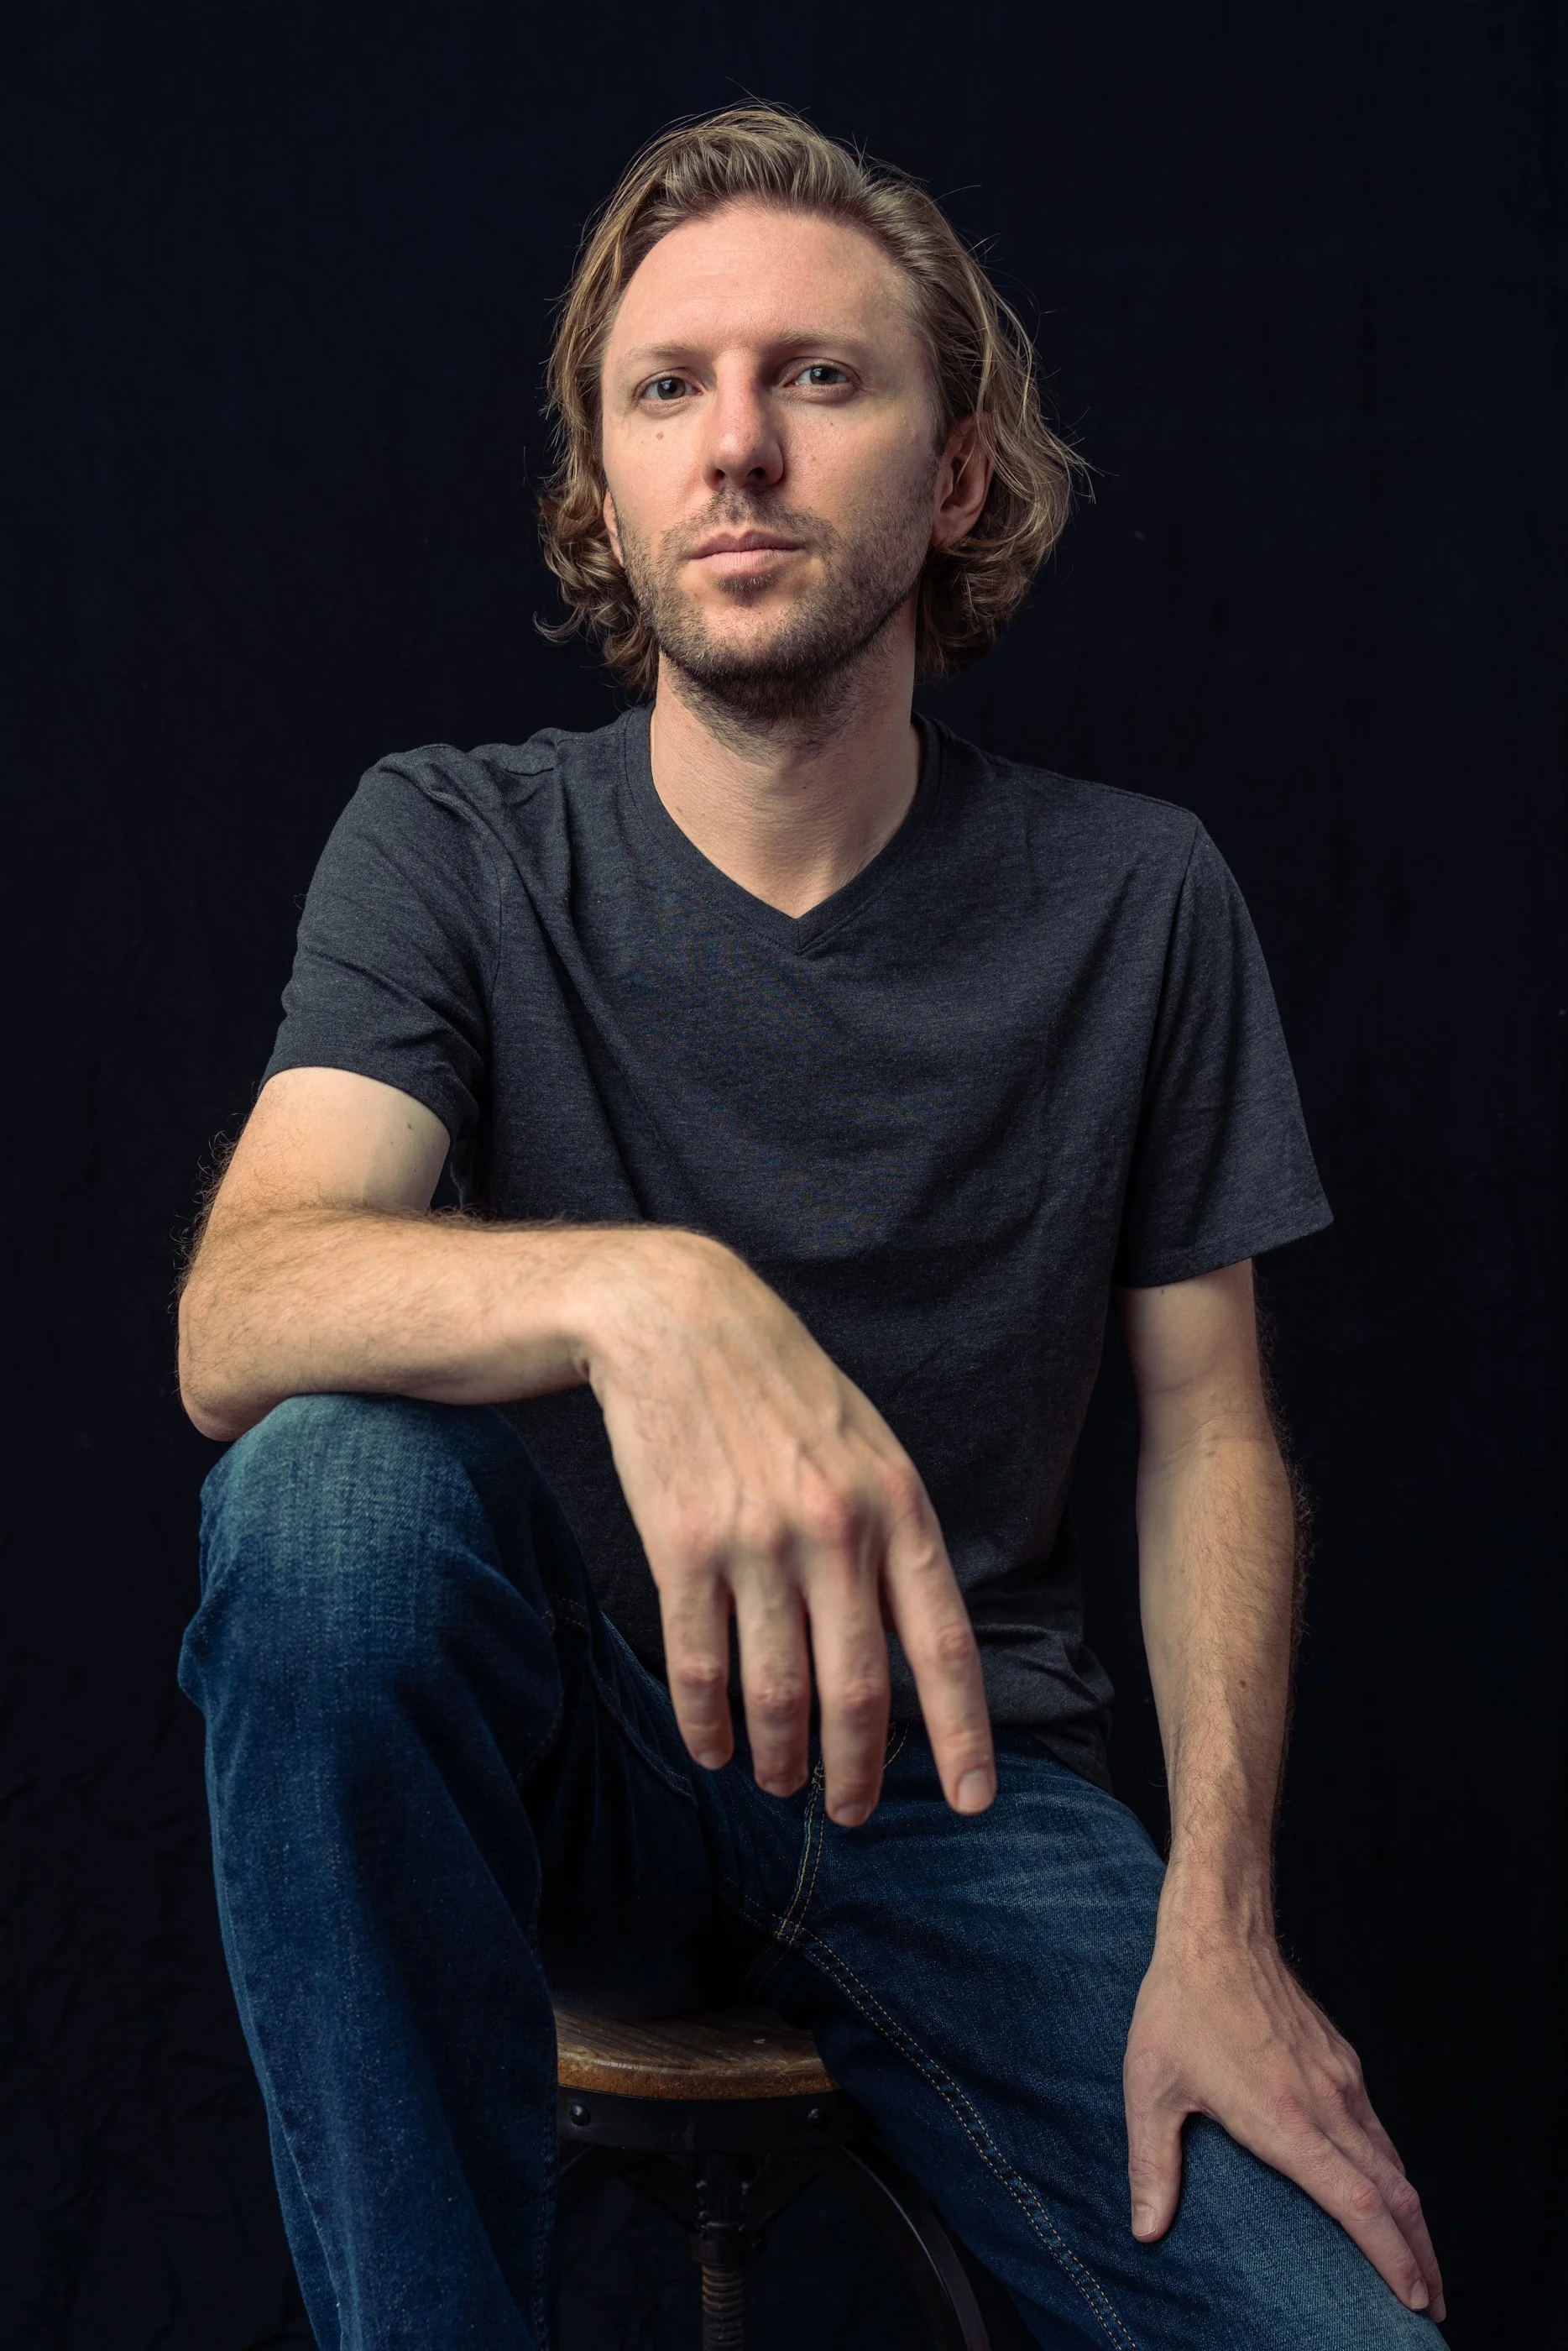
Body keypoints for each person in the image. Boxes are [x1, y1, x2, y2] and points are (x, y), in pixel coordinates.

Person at [175, 106, 1446, 2349]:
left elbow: (1212, 1438)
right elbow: (248, 1307)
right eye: (668, 389)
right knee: (323, 1494)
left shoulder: (1134, 894)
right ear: (603, 479)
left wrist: (1218, 1922)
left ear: (954, 471)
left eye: (819, 379)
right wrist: (638, 1292)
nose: (736, 448)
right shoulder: (455, 845)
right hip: (565, 1752)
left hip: (960, 1792)